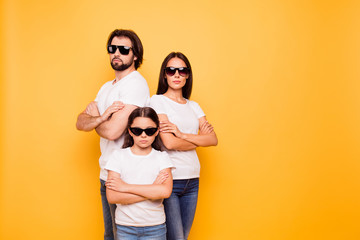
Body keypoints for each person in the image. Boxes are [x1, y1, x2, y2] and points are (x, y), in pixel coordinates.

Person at [76, 29, 150, 240]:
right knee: (111, 236)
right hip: (106, 172)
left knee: (121, 236)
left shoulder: (135, 83)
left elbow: (112, 131)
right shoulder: (107, 87)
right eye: (112, 48)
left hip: (125, 175)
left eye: (124, 49)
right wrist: (102, 117)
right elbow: (80, 122)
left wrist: (97, 118)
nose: (116, 53)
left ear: (135, 55)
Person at [149, 52, 218, 240]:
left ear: (188, 75)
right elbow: (168, 143)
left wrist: (180, 134)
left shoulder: (194, 106)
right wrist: (197, 139)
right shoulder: (157, 101)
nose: (177, 75)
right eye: (171, 70)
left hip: (193, 179)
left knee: (183, 237)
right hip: (171, 179)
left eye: (182, 70)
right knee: (176, 238)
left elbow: (212, 140)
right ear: (164, 75)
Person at [105, 107, 173, 240]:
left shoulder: (162, 157)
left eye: (149, 131)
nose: (143, 135)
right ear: (130, 131)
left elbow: (165, 192)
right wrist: (152, 190)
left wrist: (125, 187)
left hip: (155, 227)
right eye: (137, 130)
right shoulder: (118, 156)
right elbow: (112, 196)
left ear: (157, 131)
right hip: (125, 227)